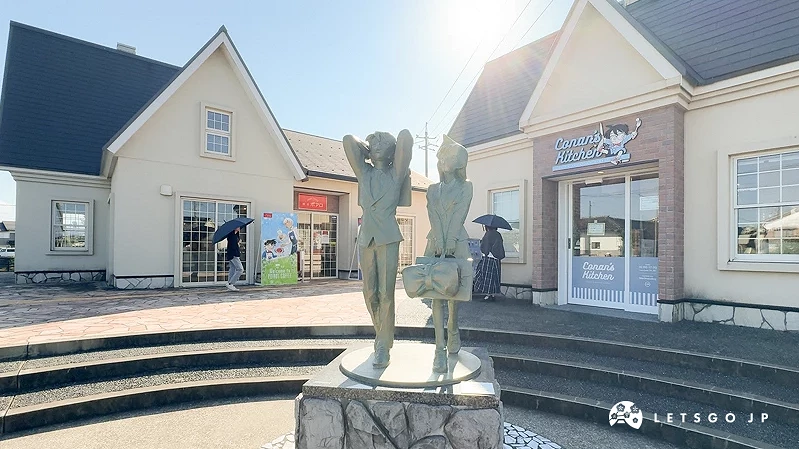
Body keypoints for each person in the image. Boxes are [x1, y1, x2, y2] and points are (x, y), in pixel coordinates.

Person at [343, 129, 413, 368]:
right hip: (367, 238)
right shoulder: (364, 173)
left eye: (383, 143)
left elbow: (405, 138)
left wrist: (388, 144)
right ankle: (381, 334)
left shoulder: (396, 173)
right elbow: (348, 141)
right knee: (370, 292)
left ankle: (382, 345)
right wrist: (366, 146)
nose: (378, 146)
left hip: (388, 237)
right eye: (374, 144)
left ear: (392, 151)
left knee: (386, 293)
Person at [424, 135, 472, 372]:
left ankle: (453, 326)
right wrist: (440, 240)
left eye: (448, 157)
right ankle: (439, 348)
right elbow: (432, 215)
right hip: (434, 242)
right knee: (435, 293)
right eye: (441, 157)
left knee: (453, 293)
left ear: (459, 162)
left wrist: (450, 239)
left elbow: (460, 214)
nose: (443, 161)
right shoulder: (432, 190)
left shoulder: (466, 187)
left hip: (457, 242)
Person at [473, 225, 505, 301]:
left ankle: (488, 295)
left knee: (486, 277)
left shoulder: (488, 234)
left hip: (488, 258)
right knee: (494, 278)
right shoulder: (498, 235)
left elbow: (484, 248)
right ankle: (492, 295)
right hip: (496, 259)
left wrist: (483, 244)